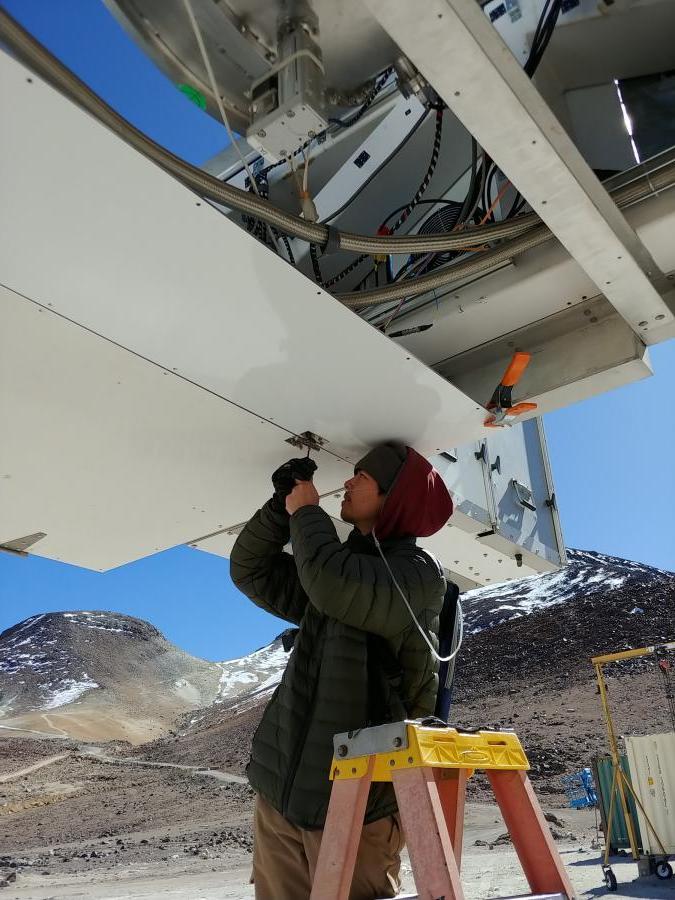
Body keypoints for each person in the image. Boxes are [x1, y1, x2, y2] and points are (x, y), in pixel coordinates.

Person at [229, 441, 453, 900]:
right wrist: (280, 507)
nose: (347, 483)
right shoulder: (331, 568)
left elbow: (336, 584)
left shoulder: (417, 574)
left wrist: (306, 514)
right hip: (283, 798)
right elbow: (249, 569)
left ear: (393, 497)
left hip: (361, 804)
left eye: (362, 478)